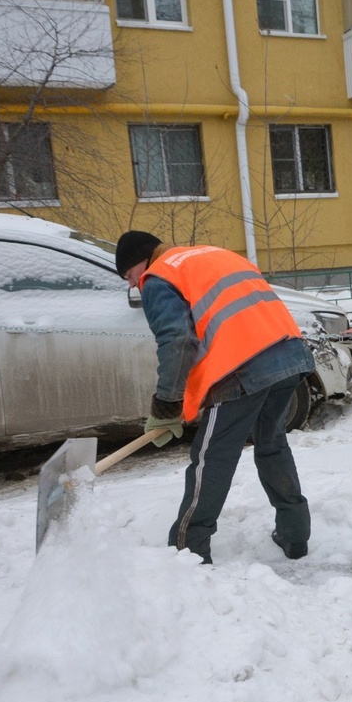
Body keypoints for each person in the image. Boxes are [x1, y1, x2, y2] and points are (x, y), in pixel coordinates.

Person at [115, 231, 315, 565]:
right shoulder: (214, 254)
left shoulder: (159, 276)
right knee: (272, 444)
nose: (135, 285)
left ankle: (187, 547)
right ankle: (295, 535)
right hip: (289, 354)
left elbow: (177, 341)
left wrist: (166, 403)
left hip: (241, 369)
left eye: (130, 276)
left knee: (212, 457)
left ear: (142, 261)